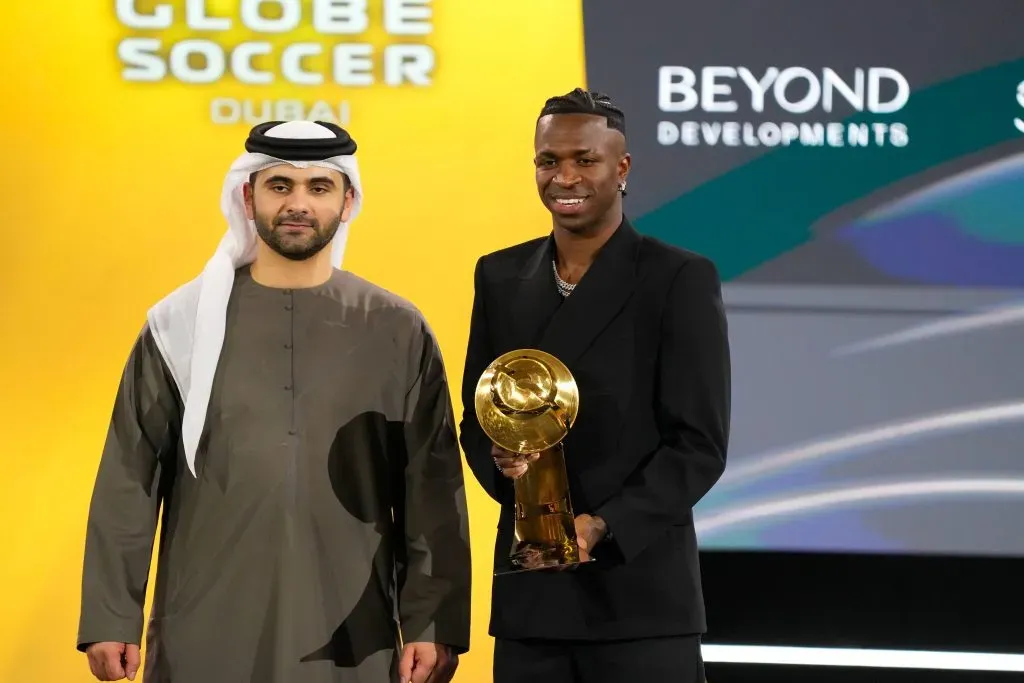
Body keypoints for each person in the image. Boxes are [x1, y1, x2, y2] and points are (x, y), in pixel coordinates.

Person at [77, 120, 472, 683]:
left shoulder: (397, 328)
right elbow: (129, 476)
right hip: (204, 624)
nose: (298, 204)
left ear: (348, 202)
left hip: (352, 631)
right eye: (279, 185)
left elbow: (431, 488)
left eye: (319, 187)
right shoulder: (179, 324)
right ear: (248, 197)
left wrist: (432, 624)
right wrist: (111, 616)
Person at [458, 88, 731, 682]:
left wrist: (603, 525)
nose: (564, 177)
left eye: (585, 159)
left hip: (640, 600)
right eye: (548, 161)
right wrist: (503, 463)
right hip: (533, 602)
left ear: (622, 168)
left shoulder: (677, 277)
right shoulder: (499, 274)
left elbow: (698, 445)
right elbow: (477, 418)